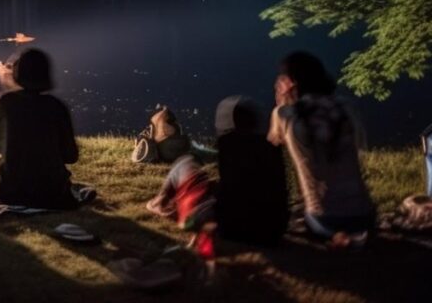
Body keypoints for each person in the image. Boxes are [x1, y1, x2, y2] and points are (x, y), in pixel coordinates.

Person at [146, 96, 288, 246]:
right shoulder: (269, 148)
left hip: (230, 228)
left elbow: (230, 199)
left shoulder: (230, 144)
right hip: (272, 229)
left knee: (185, 162)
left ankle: (160, 203)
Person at [268, 51, 375, 249]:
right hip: (365, 215)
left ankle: (337, 237)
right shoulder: (346, 106)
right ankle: (352, 236)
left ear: (291, 82)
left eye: (280, 79)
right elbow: (360, 146)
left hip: (325, 220)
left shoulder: (284, 114)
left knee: (313, 213)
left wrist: (281, 103)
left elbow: (269, 153)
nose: (277, 84)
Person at [0, 48, 81, 209]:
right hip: (52, 192)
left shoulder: (4, 102)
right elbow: (71, 156)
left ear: (17, 73)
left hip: (10, 190)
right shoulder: (56, 106)